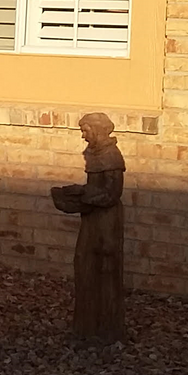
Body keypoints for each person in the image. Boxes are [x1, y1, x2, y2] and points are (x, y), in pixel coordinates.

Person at [50, 112, 126, 345]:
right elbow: (96, 189)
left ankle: (106, 328)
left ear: (99, 130)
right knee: (84, 264)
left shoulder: (111, 156)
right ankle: (86, 325)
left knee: (104, 269)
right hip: (91, 218)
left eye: (86, 131)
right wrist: (79, 192)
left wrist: (83, 195)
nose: (83, 137)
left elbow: (111, 194)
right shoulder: (95, 154)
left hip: (105, 220)